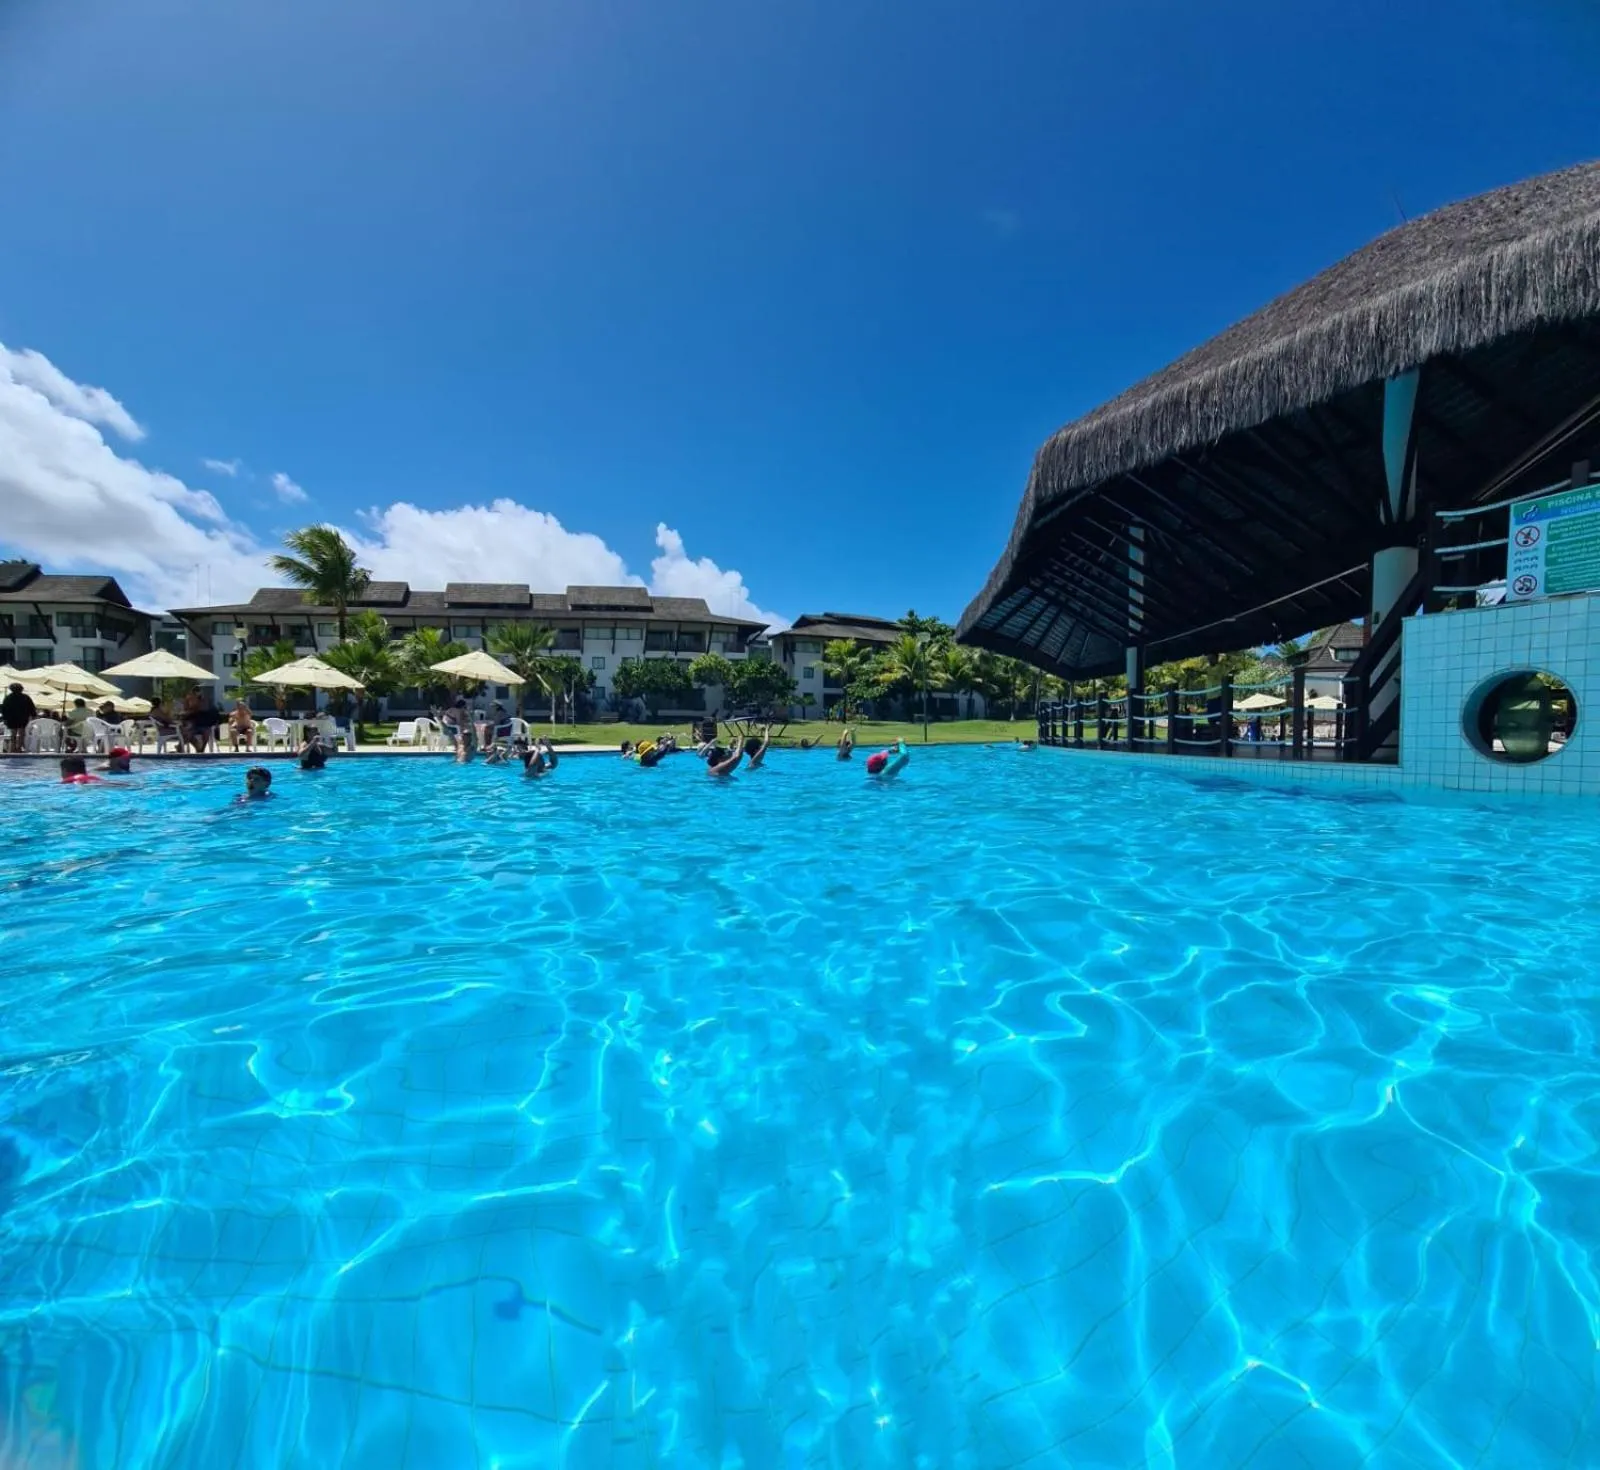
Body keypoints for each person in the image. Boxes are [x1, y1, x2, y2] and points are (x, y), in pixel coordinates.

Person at [2, 682, 36, 753]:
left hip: (11, 718)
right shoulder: (26, 697)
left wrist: (4, 718)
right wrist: (33, 716)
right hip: (22, 718)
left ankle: (13, 748)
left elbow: (4, 709)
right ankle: (19, 748)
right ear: (21, 689)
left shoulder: (8, 697)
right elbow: (31, 707)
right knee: (21, 734)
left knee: (13, 734)